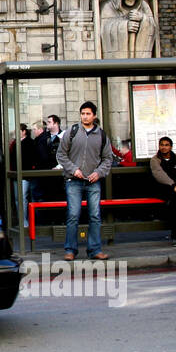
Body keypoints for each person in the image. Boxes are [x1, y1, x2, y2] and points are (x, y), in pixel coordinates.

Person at [56, 101, 114, 261]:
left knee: (95, 215)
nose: (85, 116)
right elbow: (61, 154)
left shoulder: (101, 135)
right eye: (83, 113)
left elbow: (108, 158)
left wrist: (99, 172)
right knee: (73, 214)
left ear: (94, 116)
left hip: (93, 181)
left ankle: (95, 249)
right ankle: (70, 250)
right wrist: (74, 169)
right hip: (73, 180)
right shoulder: (72, 132)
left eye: (88, 113)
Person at [150, 136, 176, 245]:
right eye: (162, 145)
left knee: (175, 204)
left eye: (166, 145)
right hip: (163, 188)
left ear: (171, 147)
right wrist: (174, 186)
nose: (164, 147)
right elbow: (159, 175)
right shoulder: (155, 160)